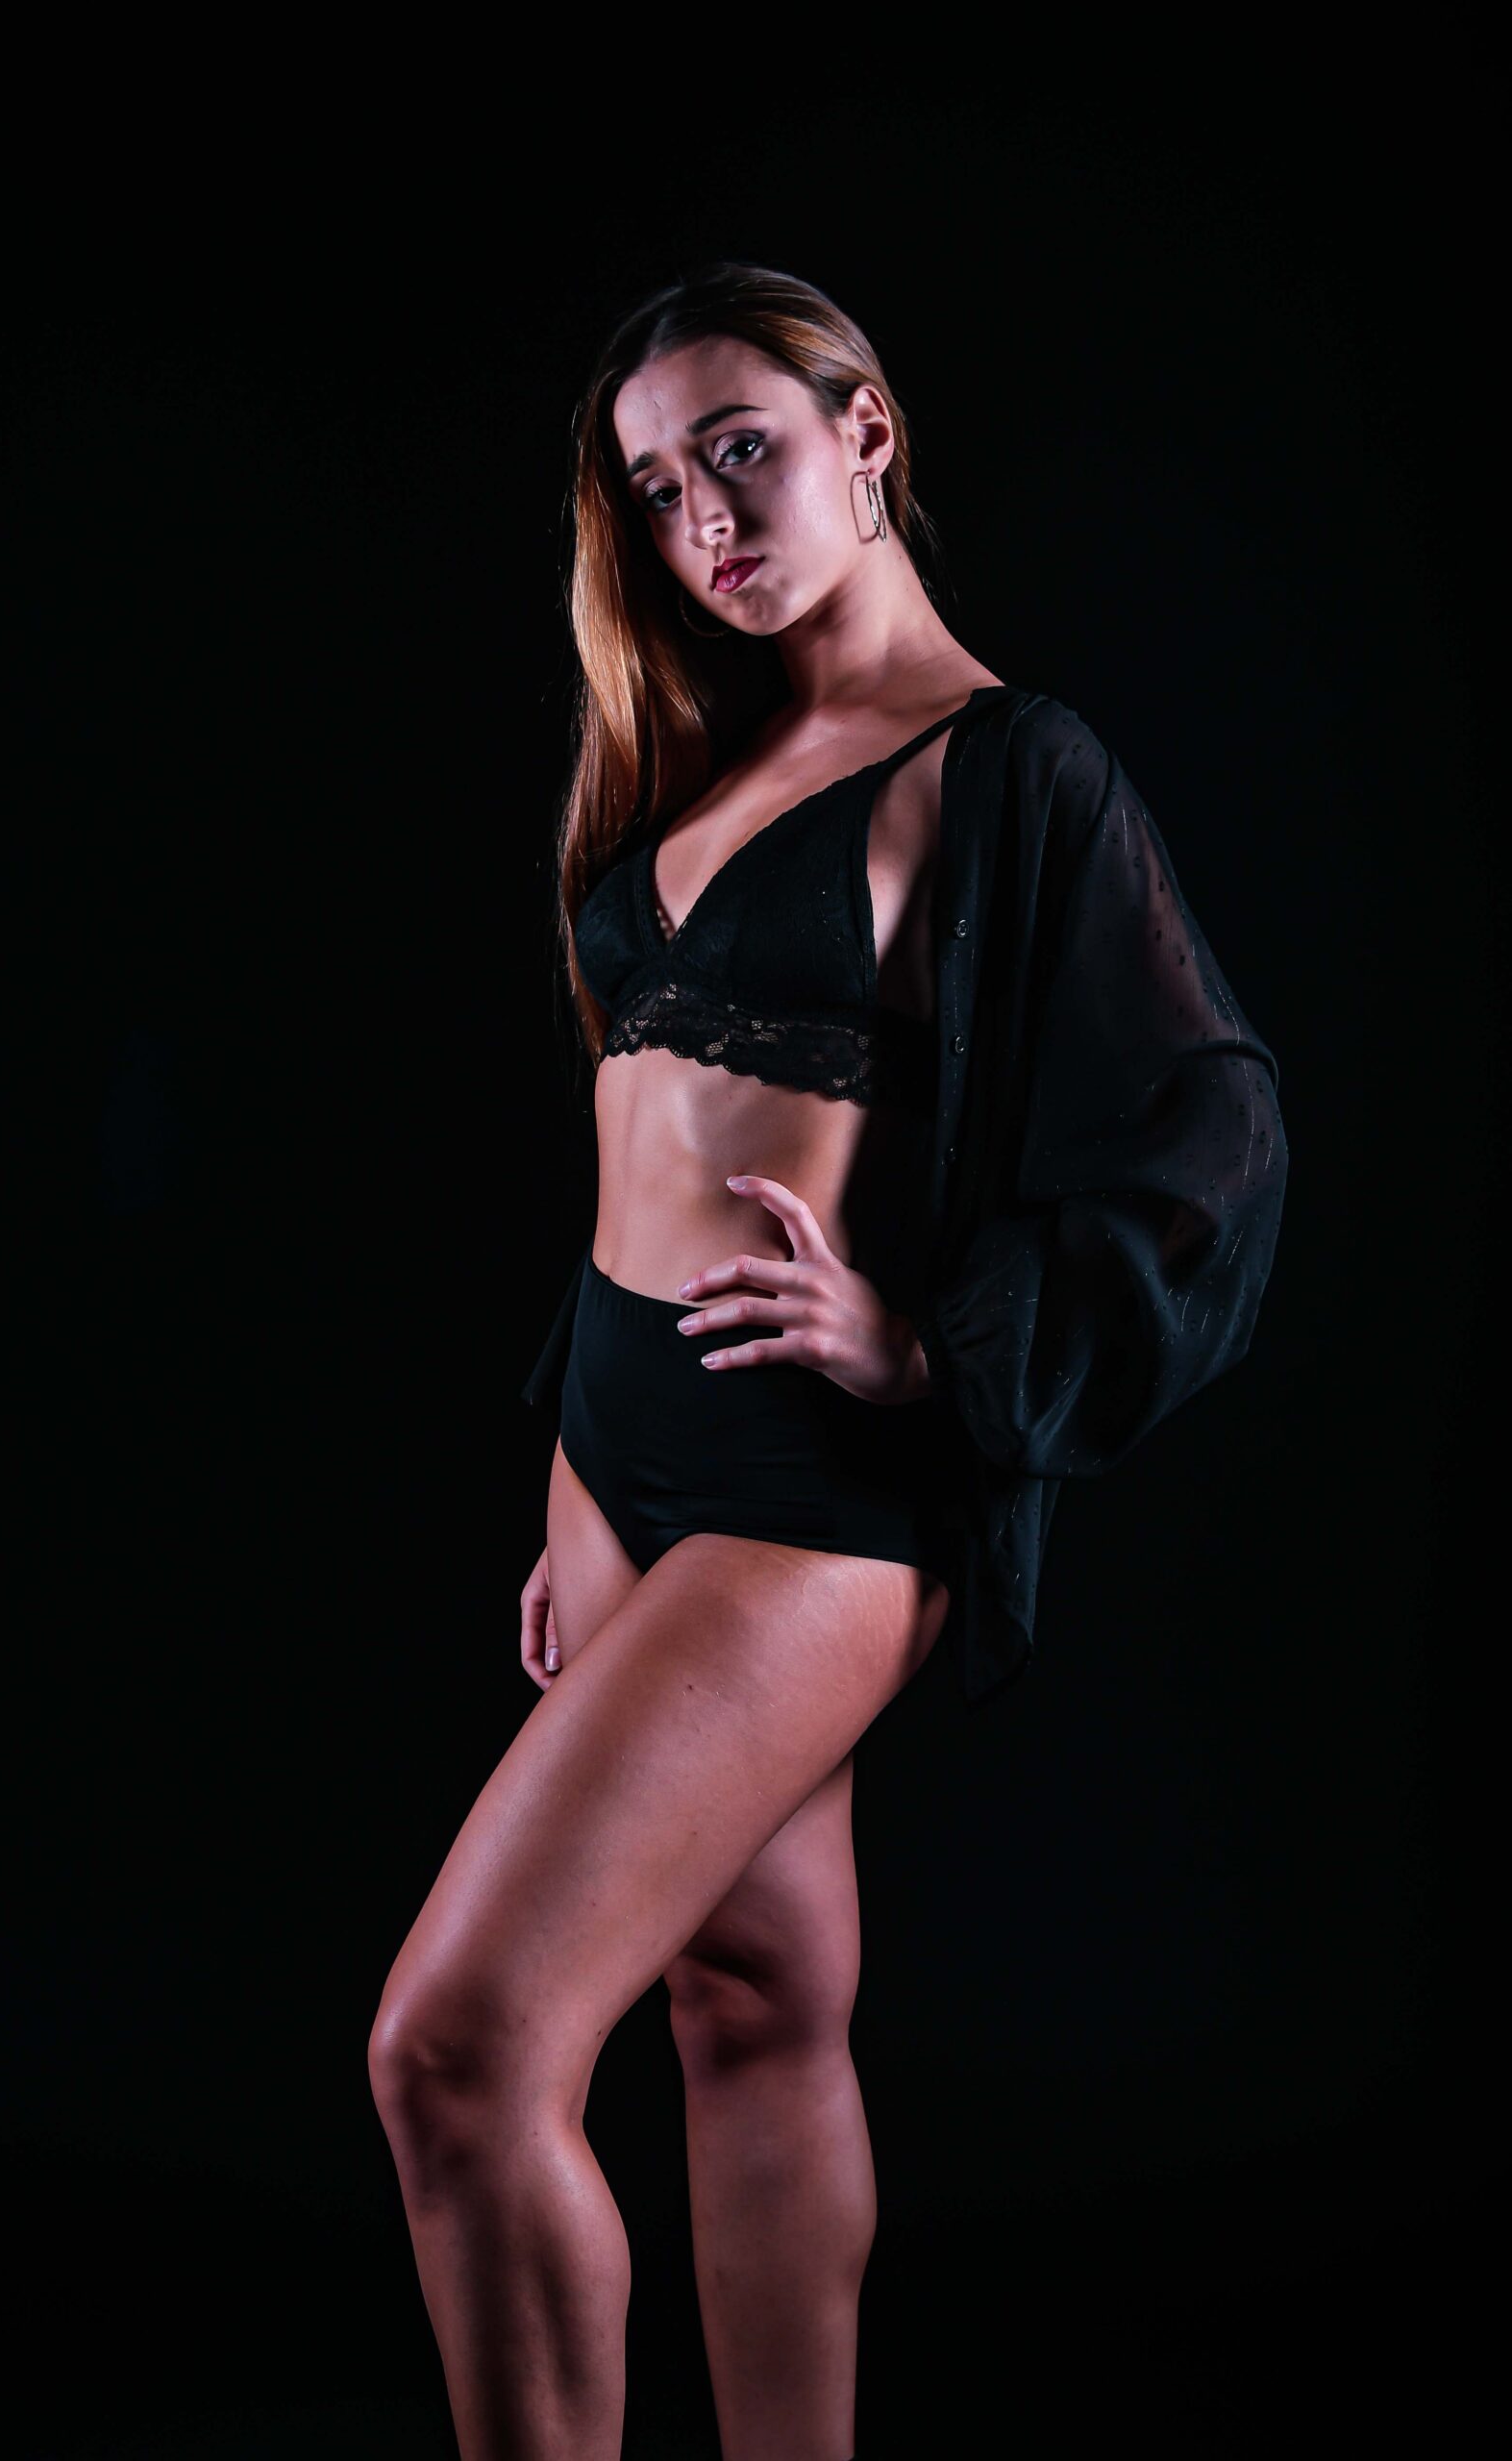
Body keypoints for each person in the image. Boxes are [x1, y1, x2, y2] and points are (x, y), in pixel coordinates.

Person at [368, 261, 1288, 2461]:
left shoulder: (1007, 766)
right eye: (655, 487)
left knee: (457, 2054)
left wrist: (930, 1346)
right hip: (614, 1467)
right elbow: (645, 1150)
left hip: (803, 1492)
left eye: (738, 450)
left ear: (863, 430)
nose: (699, 518)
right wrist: (572, 1468)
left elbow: (1214, 1139)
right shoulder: (711, 749)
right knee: (752, 2012)